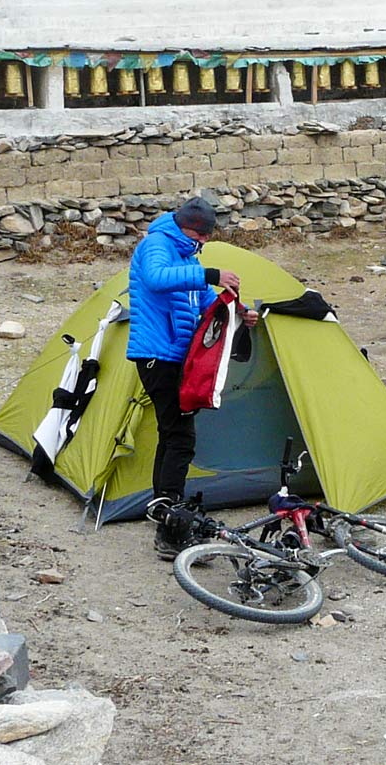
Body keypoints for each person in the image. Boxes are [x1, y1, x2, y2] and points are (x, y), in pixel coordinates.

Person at [126, 197, 258, 560]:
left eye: (206, 236)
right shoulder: (157, 244)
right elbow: (155, 279)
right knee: (181, 437)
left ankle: (167, 511)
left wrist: (238, 313)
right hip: (156, 356)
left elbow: (202, 302)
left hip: (175, 357)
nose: (202, 240)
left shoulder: (186, 254)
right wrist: (211, 273)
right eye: (200, 234)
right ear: (186, 226)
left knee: (173, 434)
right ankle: (170, 531)